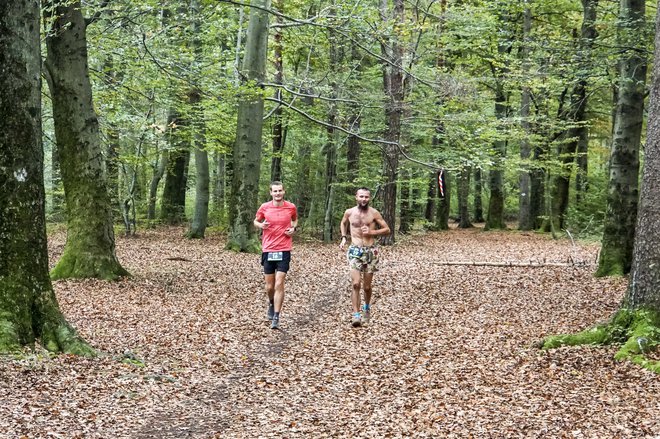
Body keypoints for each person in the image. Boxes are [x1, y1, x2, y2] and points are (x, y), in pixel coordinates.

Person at [339, 187, 390, 327]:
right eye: (361, 196)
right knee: (356, 284)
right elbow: (343, 223)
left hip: (370, 251)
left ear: (370, 198)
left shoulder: (374, 213)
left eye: (366, 197)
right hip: (354, 250)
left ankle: (366, 308)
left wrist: (372, 232)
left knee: (367, 287)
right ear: (356, 197)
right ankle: (356, 315)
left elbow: (387, 229)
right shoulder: (349, 212)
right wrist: (344, 237)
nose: (363, 199)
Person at [254, 181, 298, 330]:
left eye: (280, 191)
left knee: (280, 283)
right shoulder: (264, 207)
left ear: (284, 192)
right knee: (269, 286)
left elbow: (295, 219)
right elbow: (256, 221)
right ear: (271, 193)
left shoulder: (291, 207)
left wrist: (293, 228)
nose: (278, 193)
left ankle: (277, 317)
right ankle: (271, 303)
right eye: (275, 191)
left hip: (284, 249)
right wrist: (261, 226)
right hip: (268, 249)